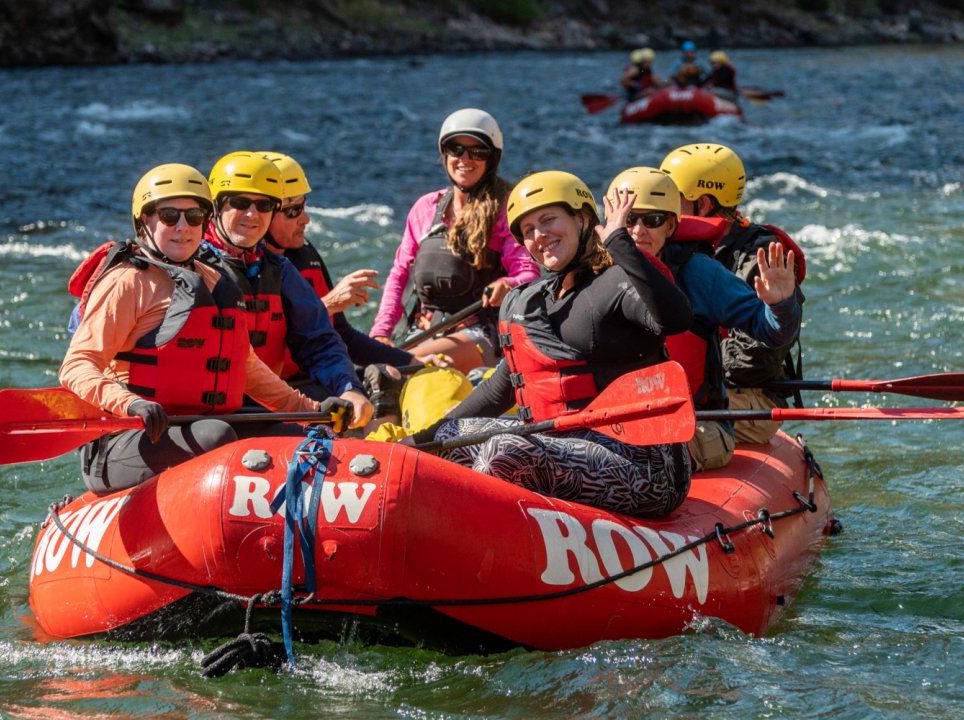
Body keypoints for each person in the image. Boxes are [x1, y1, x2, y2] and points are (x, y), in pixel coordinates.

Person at [407, 171, 694, 518]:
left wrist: (619, 241)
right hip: (558, 443)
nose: (539, 236)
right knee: (453, 437)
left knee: (504, 450)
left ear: (582, 219)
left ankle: (482, 545)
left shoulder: (618, 284)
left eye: (548, 221)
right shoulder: (526, 301)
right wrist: (421, 441)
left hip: (644, 463)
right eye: (528, 231)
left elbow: (676, 318)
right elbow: (501, 388)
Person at [60, 164, 348, 494]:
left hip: (200, 427)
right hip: (127, 439)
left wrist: (312, 411)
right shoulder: (127, 282)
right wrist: (130, 403)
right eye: (169, 216)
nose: (183, 227)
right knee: (216, 435)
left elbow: (248, 367)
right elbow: (77, 366)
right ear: (144, 221)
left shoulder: (213, 281)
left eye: (194, 217)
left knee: (301, 439)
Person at [608, 167, 799, 471]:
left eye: (653, 220)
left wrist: (781, 305)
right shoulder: (594, 272)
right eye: (629, 220)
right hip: (619, 425)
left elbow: (771, 331)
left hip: (698, 425)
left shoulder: (698, 273)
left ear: (671, 226)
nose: (638, 230)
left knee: (631, 452)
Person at [196, 151, 375, 429]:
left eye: (264, 205)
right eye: (240, 203)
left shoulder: (279, 269)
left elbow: (319, 341)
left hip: (262, 406)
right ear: (216, 207)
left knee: (351, 410)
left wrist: (349, 388)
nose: (252, 215)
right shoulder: (188, 266)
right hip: (201, 415)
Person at [370, 108, 541, 374]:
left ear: (492, 158)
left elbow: (528, 273)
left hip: (481, 334)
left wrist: (507, 284)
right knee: (373, 368)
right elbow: (399, 275)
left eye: (477, 152)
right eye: (456, 149)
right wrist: (380, 333)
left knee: (391, 370)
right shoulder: (425, 208)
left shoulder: (506, 208)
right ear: (444, 154)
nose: (464, 158)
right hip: (424, 332)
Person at [660, 143, 807, 445]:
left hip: (750, 396)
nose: (660, 210)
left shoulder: (761, 257)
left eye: (671, 199)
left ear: (702, 204)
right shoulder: (676, 250)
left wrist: (691, 371)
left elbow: (755, 356)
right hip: (701, 386)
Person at [255, 151, 425, 411]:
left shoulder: (304, 255)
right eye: (294, 211)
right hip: (273, 393)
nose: (306, 219)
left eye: (304, 206)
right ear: (263, 215)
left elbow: (344, 336)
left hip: (314, 380)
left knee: (390, 375)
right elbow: (262, 345)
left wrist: (414, 362)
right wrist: (328, 304)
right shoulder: (246, 270)